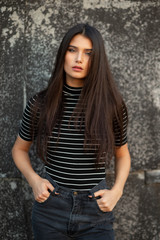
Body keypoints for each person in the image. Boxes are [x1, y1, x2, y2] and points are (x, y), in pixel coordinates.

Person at [12, 23, 131, 240]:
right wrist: (34, 180)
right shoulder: (41, 104)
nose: (79, 59)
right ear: (63, 54)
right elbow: (19, 149)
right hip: (50, 209)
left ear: (98, 60)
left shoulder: (112, 105)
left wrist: (117, 191)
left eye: (88, 53)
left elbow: (122, 153)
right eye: (72, 50)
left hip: (96, 211)